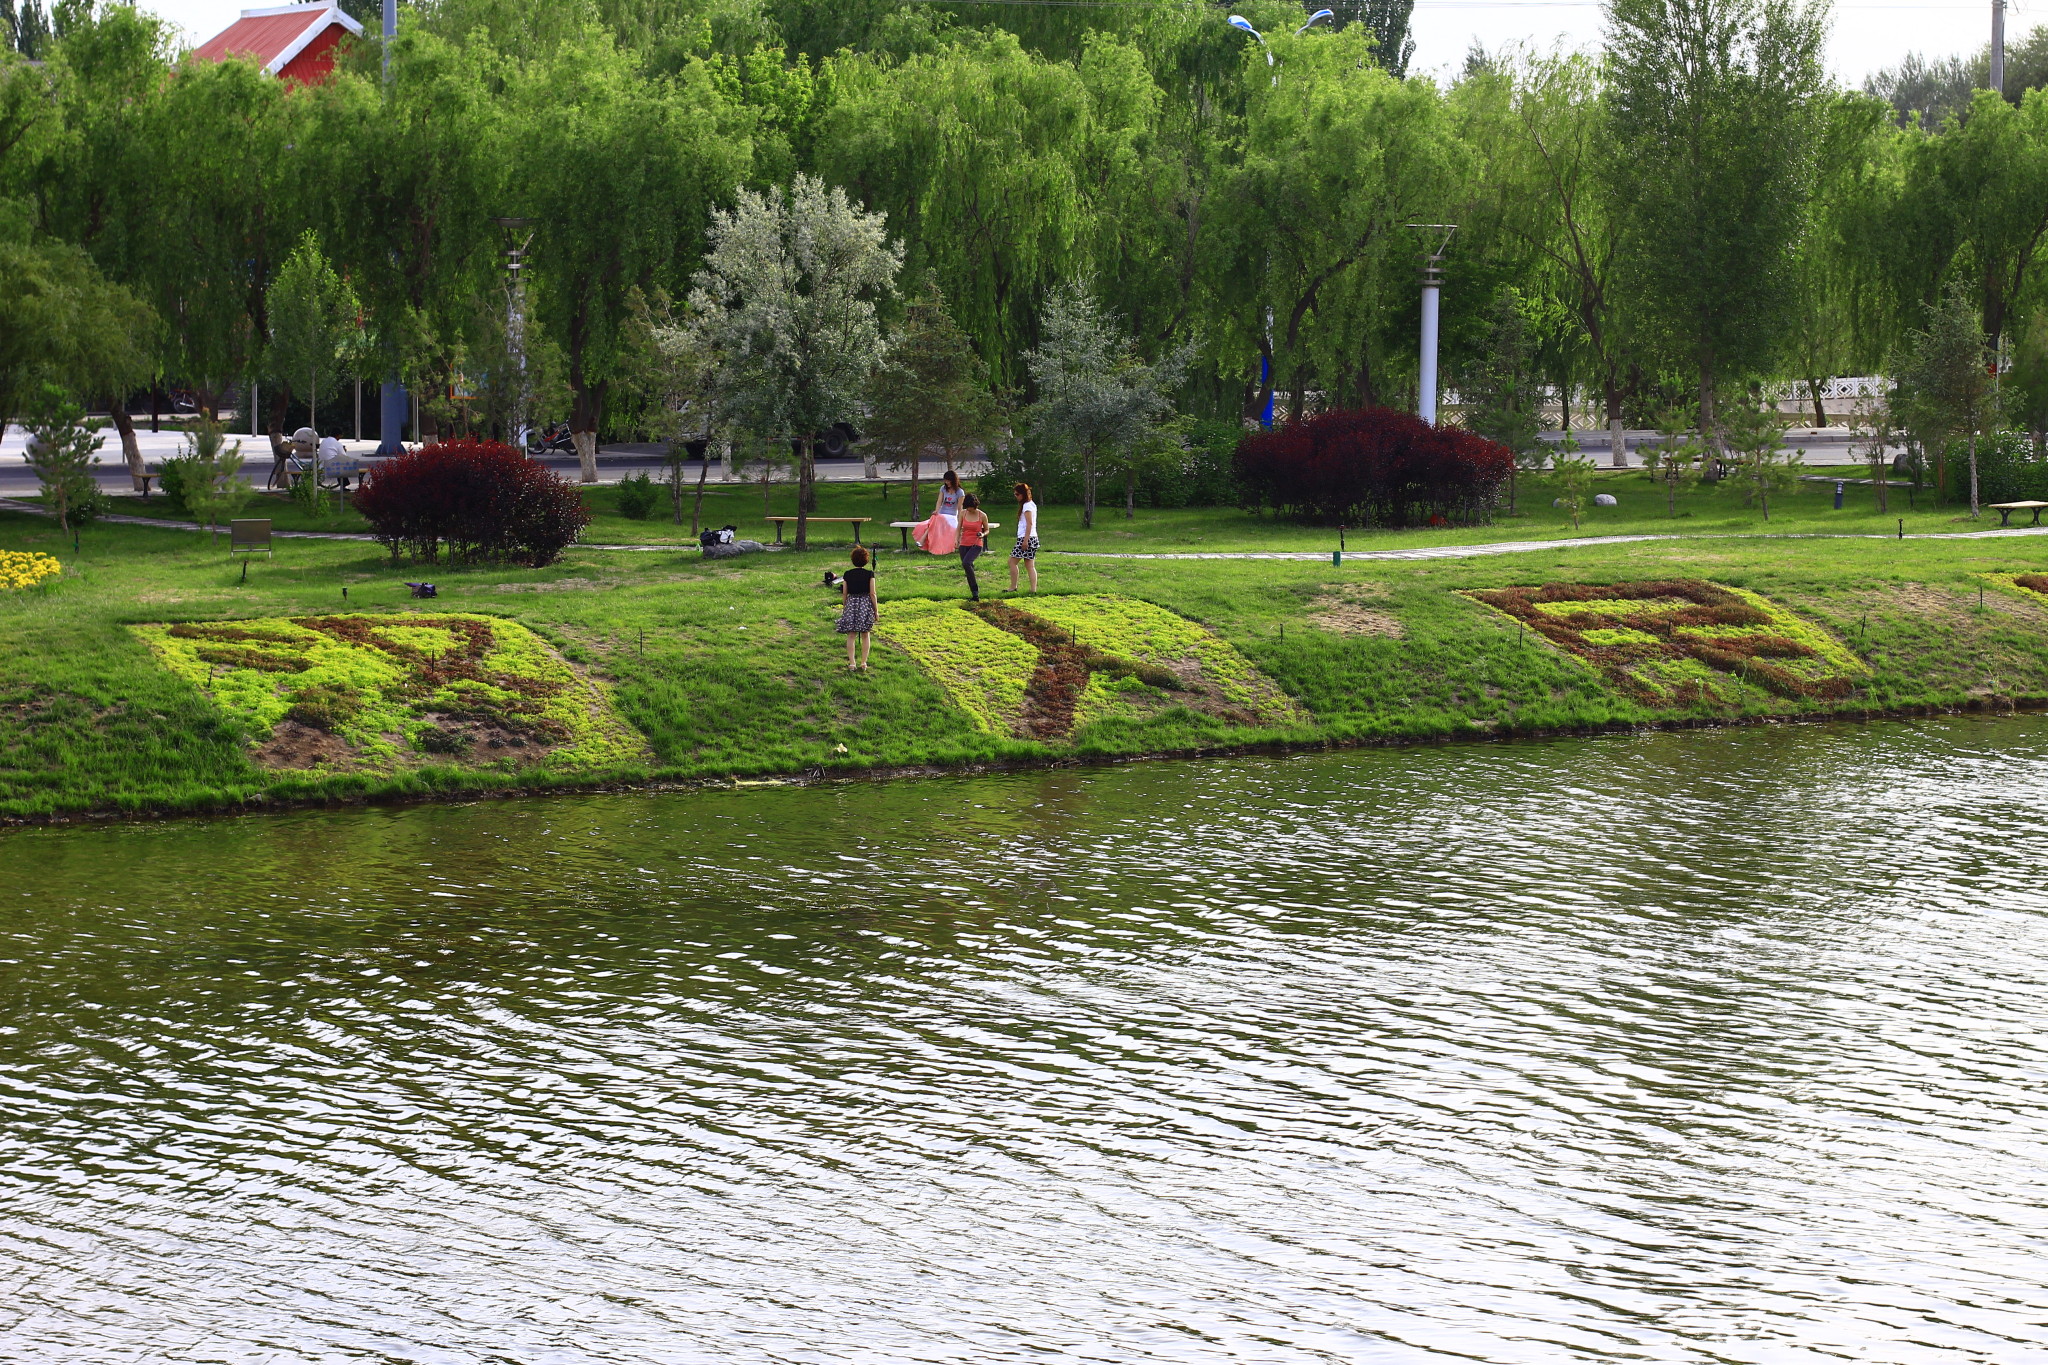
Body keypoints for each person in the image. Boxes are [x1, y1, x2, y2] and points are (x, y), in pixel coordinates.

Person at [836, 546, 878, 670]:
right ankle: (863, 662)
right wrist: (876, 611)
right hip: (865, 604)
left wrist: (845, 606)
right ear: (866, 560)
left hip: (851, 603)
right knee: (865, 634)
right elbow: (872, 593)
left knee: (851, 635)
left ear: (853, 559)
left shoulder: (847, 574)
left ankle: (852, 663)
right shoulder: (870, 574)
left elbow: (844, 593)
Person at [912, 469, 963, 555]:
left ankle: (922, 540)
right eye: (945, 480)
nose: (946, 482)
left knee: (935, 519)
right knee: (934, 518)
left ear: (953, 480)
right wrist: (937, 510)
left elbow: (959, 507)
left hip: (951, 516)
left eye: (948, 480)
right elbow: (939, 501)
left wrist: (959, 520)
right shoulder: (943, 488)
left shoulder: (960, 492)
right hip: (941, 514)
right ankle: (924, 541)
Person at [956, 493, 989, 601]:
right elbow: (958, 527)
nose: (969, 510)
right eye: (967, 507)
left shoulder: (982, 515)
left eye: (970, 507)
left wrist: (982, 534)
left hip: (976, 543)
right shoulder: (963, 513)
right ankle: (974, 595)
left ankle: (976, 592)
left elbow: (987, 530)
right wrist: (956, 540)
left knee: (966, 563)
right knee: (967, 568)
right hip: (964, 543)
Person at [1008, 481, 1039, 593]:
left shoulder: (1027, 506)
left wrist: (1025, 541)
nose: (1016, 496)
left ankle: (1013, 587)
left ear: (1023, 494)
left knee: (1012, 562)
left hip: (1026, 538)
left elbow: (1029, 523)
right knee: (1030, 565)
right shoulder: (1031, 504)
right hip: (1032, 537)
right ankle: (1033, 590)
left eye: (1017, 494)